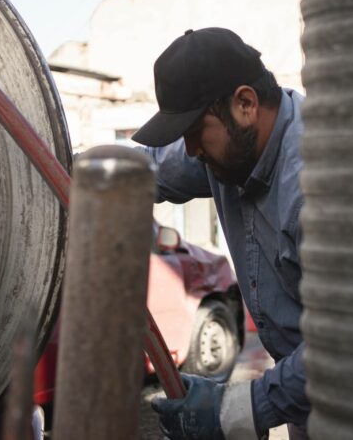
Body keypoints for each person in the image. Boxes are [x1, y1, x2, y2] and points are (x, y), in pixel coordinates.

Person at [132, 27, 309, 440]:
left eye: (195, 131)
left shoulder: (313, 188)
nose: (190, 149)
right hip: (308, 405)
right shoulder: (227, 149)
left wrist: (234, 411)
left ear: (245, 103)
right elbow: (149, 166)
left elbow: (344, 348)